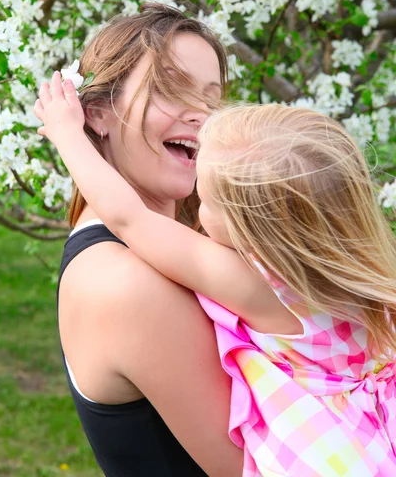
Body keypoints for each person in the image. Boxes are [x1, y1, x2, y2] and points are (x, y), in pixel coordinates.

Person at [35, 78, 396, 477]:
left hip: (326, 455)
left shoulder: (257, 286)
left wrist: (66, 134)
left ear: (251, 227)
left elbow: (128, 219)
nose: (196, 206)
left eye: (205, 200)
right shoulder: (361, 274)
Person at [37, 4, 244, 477]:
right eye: (171, 89)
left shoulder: (174, 248)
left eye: (213, 99)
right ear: (97, 114)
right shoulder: (124, 282)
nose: (202, 117)